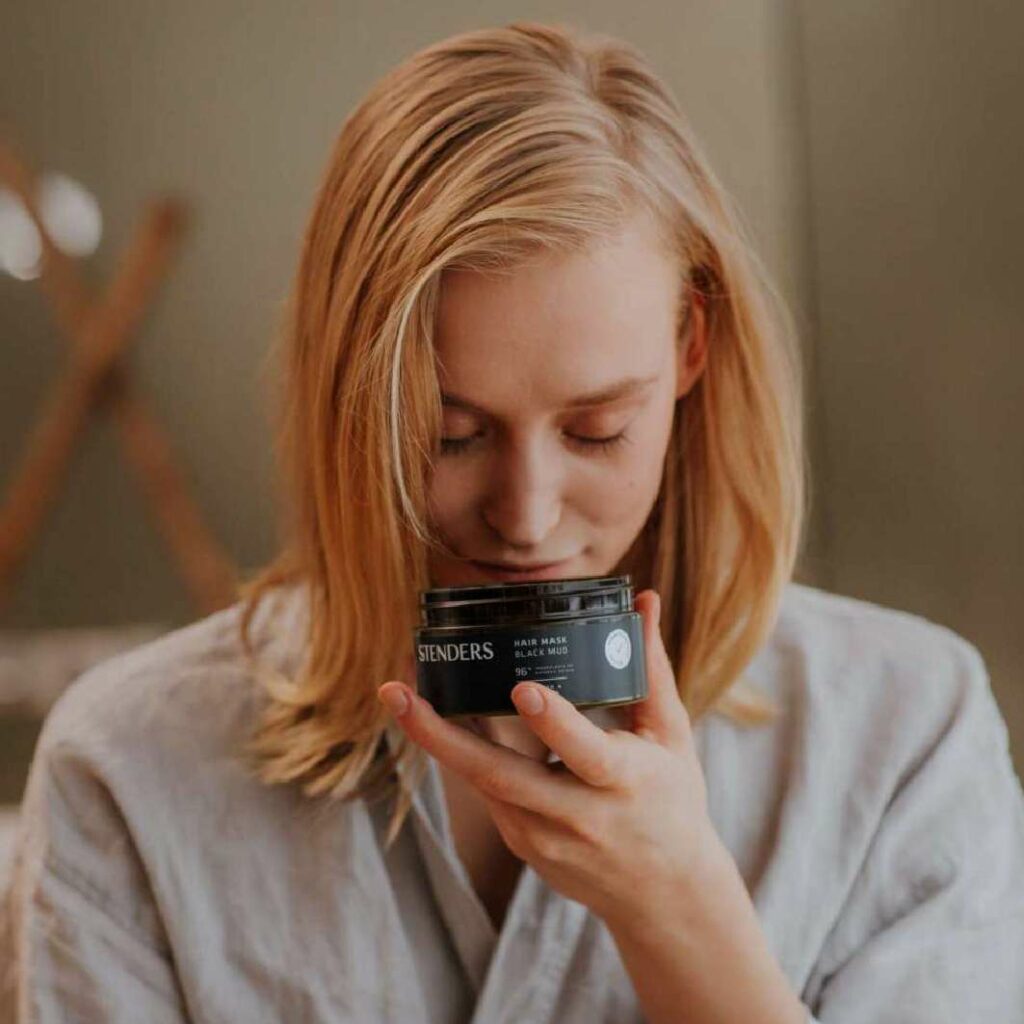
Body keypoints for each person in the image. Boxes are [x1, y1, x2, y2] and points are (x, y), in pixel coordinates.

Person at [2, 19, 1023, 1024]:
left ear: (690, 348)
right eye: (450, 436)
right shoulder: (131, 770)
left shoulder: (903, 736)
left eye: (596, 429)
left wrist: (680, 913)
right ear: (350, 401)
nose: (526, 517)